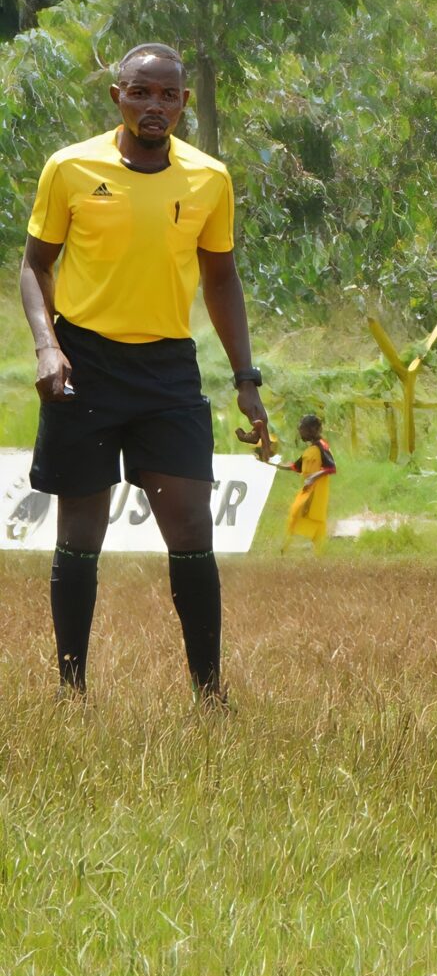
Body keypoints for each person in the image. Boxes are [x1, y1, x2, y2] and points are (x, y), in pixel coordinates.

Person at [19, 42, 272, 702]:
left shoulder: (209, 178)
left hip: (167, 371)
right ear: (117, 97)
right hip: (85, 362)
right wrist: (48, 346)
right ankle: (70, 692)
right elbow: (34, 265)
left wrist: (246, 377)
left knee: (191, 526)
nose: (154, 106)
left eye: (167, 96)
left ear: (185, 104)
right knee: (81, 533)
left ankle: (209, 695)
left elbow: (221, 277)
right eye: (141, 92)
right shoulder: (70, 168)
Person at [280, 414, 336, 553]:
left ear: (312, 429)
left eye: (303, 429)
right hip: (307, 490)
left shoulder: (322, 447)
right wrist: (275, 464)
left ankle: (310, 548)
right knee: (296, 512)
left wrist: (313, 477)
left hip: (316, 492)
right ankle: (290, 546)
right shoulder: (310, 450)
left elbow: (331, 467)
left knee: (310, 516)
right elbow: (296, 466)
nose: (300, 432)